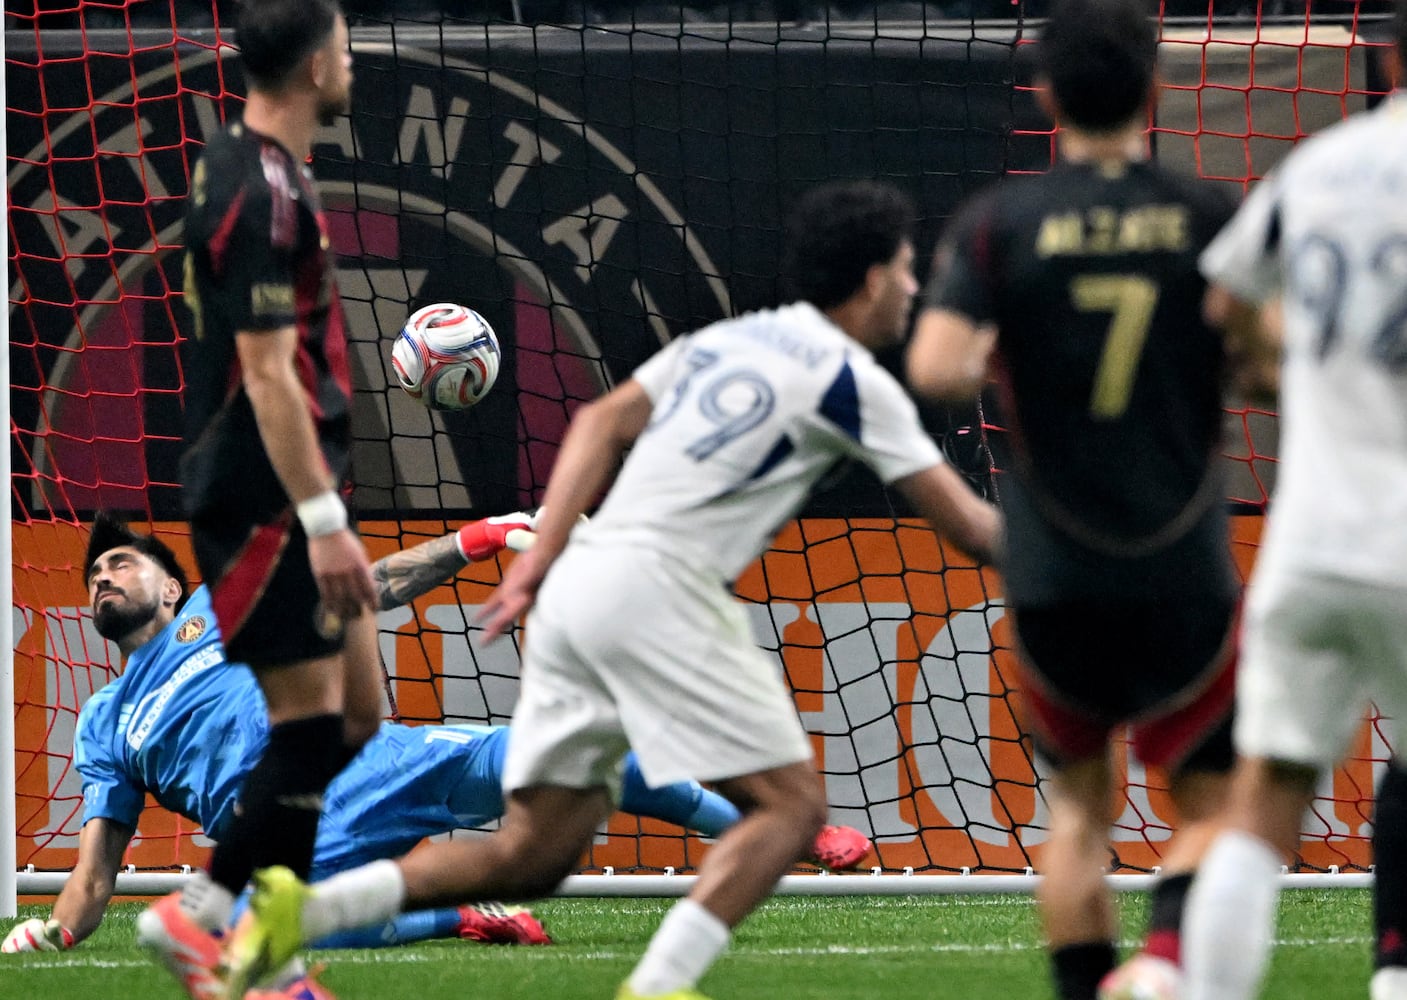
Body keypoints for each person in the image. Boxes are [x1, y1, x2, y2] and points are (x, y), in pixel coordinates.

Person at [217, 178, 1001, 1000]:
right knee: (792, 810)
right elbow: (970, 529)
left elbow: (596, 424)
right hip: (659, 592)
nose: (914, 290)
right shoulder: (857, 383)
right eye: (909, 273)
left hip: (581, 588)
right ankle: (660, 986)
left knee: (531, 856)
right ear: (873, 279)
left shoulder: (729, 341)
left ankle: (296, 913)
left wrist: (537, 558)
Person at [0, 513, 872, 975]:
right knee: (278, 933)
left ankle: (781, 830)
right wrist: (54, 933)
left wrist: (472, 541)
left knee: (585, 755)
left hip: (378, 759)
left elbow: (366, 584)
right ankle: (461, 916)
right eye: (93, 575)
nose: (103, 577)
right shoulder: (105, 721)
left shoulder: (214, 609)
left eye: (121, 563)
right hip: (289, 826)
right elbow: (96, 870)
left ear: (170, 582)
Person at [905, 1, 1278, 998]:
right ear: (1157, 90)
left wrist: (1021, 354)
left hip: (1052, 567)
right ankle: (1160, 965)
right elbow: (1269, 363)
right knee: (1212, 803)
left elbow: (936, 367)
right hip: (1180, 559)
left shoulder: (998, 225)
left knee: (1075, 811)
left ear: (1046, 94)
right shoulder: (1209, 212)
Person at [142, 1, 379, 998]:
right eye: (349, 44)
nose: (354, 59)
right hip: (265, 496)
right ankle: (203, 923)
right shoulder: (254, 184)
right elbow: (269, 373)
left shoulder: (272, 171)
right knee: (313, 726)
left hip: (302, 484)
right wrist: (322, 522)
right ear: (319, 60)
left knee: (358, 717)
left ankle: (239, 940)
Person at [1178, 5, 1407, 999]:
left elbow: (1221, 304)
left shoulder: (1318, 166)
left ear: (1389, 54)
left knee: (1263, 802)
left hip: (1308, 542)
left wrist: (1291, 376)